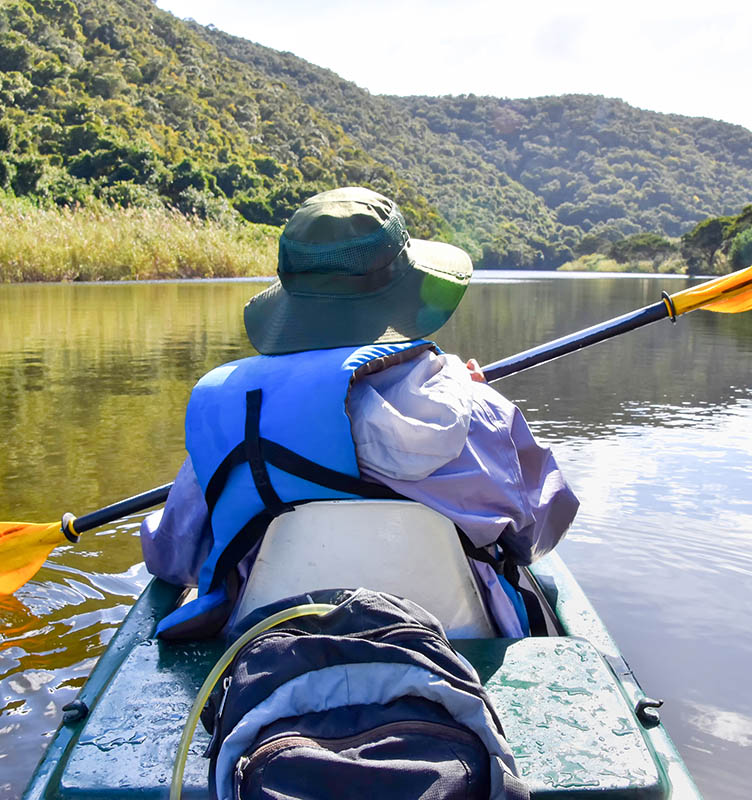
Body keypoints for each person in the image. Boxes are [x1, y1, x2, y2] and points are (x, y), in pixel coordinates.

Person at [140, 186, 578, 639]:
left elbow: (174, 560)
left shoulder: (230, 413)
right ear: (405, 296)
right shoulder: (479, 413)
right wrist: (473, 400)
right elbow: (541, 532)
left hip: (271, 656)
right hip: (459, 653)